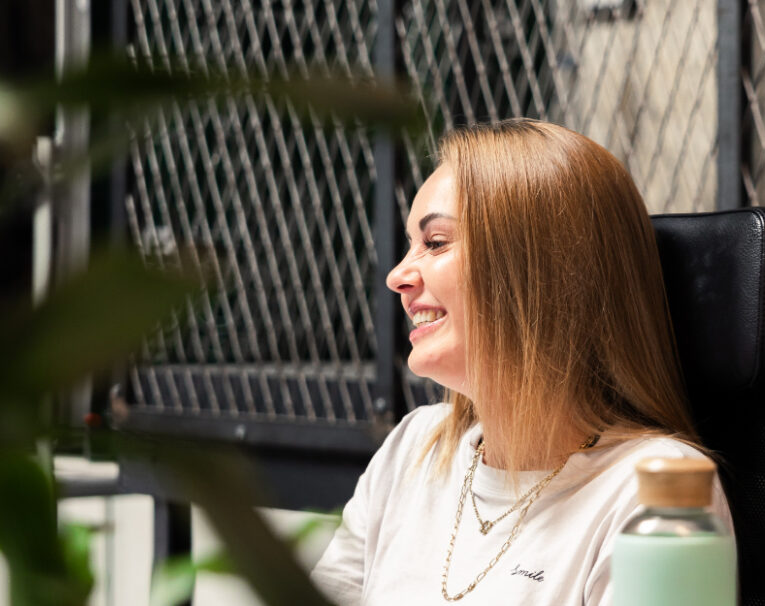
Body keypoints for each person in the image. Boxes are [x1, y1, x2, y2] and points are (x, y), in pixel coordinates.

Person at [310, 119, 732, 605]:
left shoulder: (660, 489)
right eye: (411, 244)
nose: (397, 276)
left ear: (536, 271)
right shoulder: (413, 448)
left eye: (435, 242)